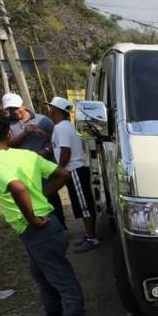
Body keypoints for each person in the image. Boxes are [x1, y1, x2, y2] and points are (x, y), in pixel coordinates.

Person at [0, 111, 91, 316]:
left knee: (60, 275)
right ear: (9, 134)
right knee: (40, 273)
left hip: (38, 228)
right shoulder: (26, 156)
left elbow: (18, 189)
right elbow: (62, 174)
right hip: (43, 228)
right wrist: (42, 195)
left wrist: (32, 218)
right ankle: (54, 313)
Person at [3, 92, 64, 228]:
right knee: (30, 198)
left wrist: (46, 150)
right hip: (23, 169)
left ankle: (61, 225)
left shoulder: (42, 120)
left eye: (15, 108)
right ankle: (38, 224)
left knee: (51, 196)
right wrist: (25, 133)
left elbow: (57, 139)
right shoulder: (7, 125)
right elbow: (7, 145)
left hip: (44, 165)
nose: (13, 112)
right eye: (9, 109)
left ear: (23, 105)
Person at [47, 96, 100, 253]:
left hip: (74, 169)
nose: (49, 111)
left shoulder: (61, 127)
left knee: (84, 206)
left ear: (56, 111)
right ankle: (89, 235)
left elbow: (65, 150)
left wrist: (59, 169)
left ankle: (92, 238)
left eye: (51, 108)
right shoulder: (65, 126)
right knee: (82, 204)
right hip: (75, 169)